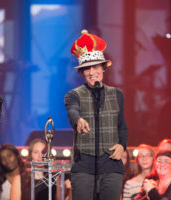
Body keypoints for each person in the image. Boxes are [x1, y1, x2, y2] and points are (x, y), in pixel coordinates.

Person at [64, 29, 128, 200]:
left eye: (95, 66)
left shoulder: (117, 94)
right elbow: (72, 111)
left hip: (111, 164)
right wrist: (78, 120)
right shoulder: (73, 94)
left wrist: (122, 145)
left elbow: (121, 126)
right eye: (86, 68)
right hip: (84, 164)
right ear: (82, 72)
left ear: (103, 68)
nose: (91, 72)